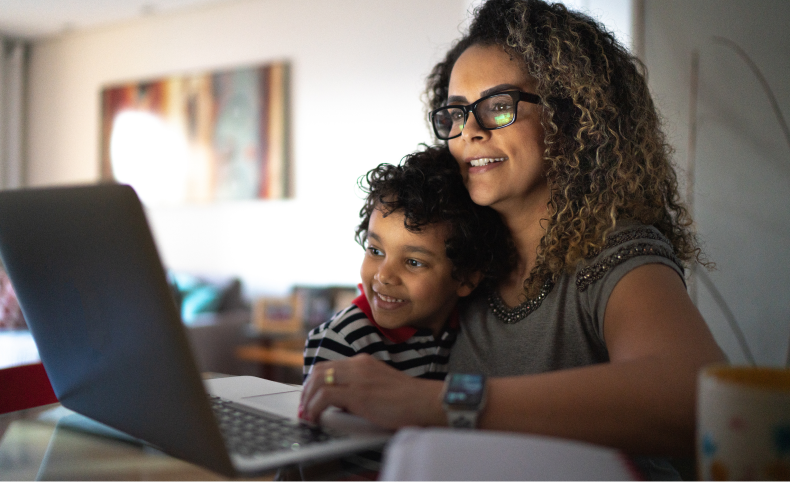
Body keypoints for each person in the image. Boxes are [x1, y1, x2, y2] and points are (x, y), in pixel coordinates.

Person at [300, 0, 725, 476]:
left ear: (571, 118)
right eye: (456, 113)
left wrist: (439, 403)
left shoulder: (614, 253)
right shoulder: (462, 257)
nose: (470, 133)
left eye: (499, 106)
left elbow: (695, 397)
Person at [303, 145, 513, 383]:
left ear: (466, 278)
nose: (384, 275)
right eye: (375, 250)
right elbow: (321, 416)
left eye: (413, 262)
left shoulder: (471, 328)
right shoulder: (345, 340)